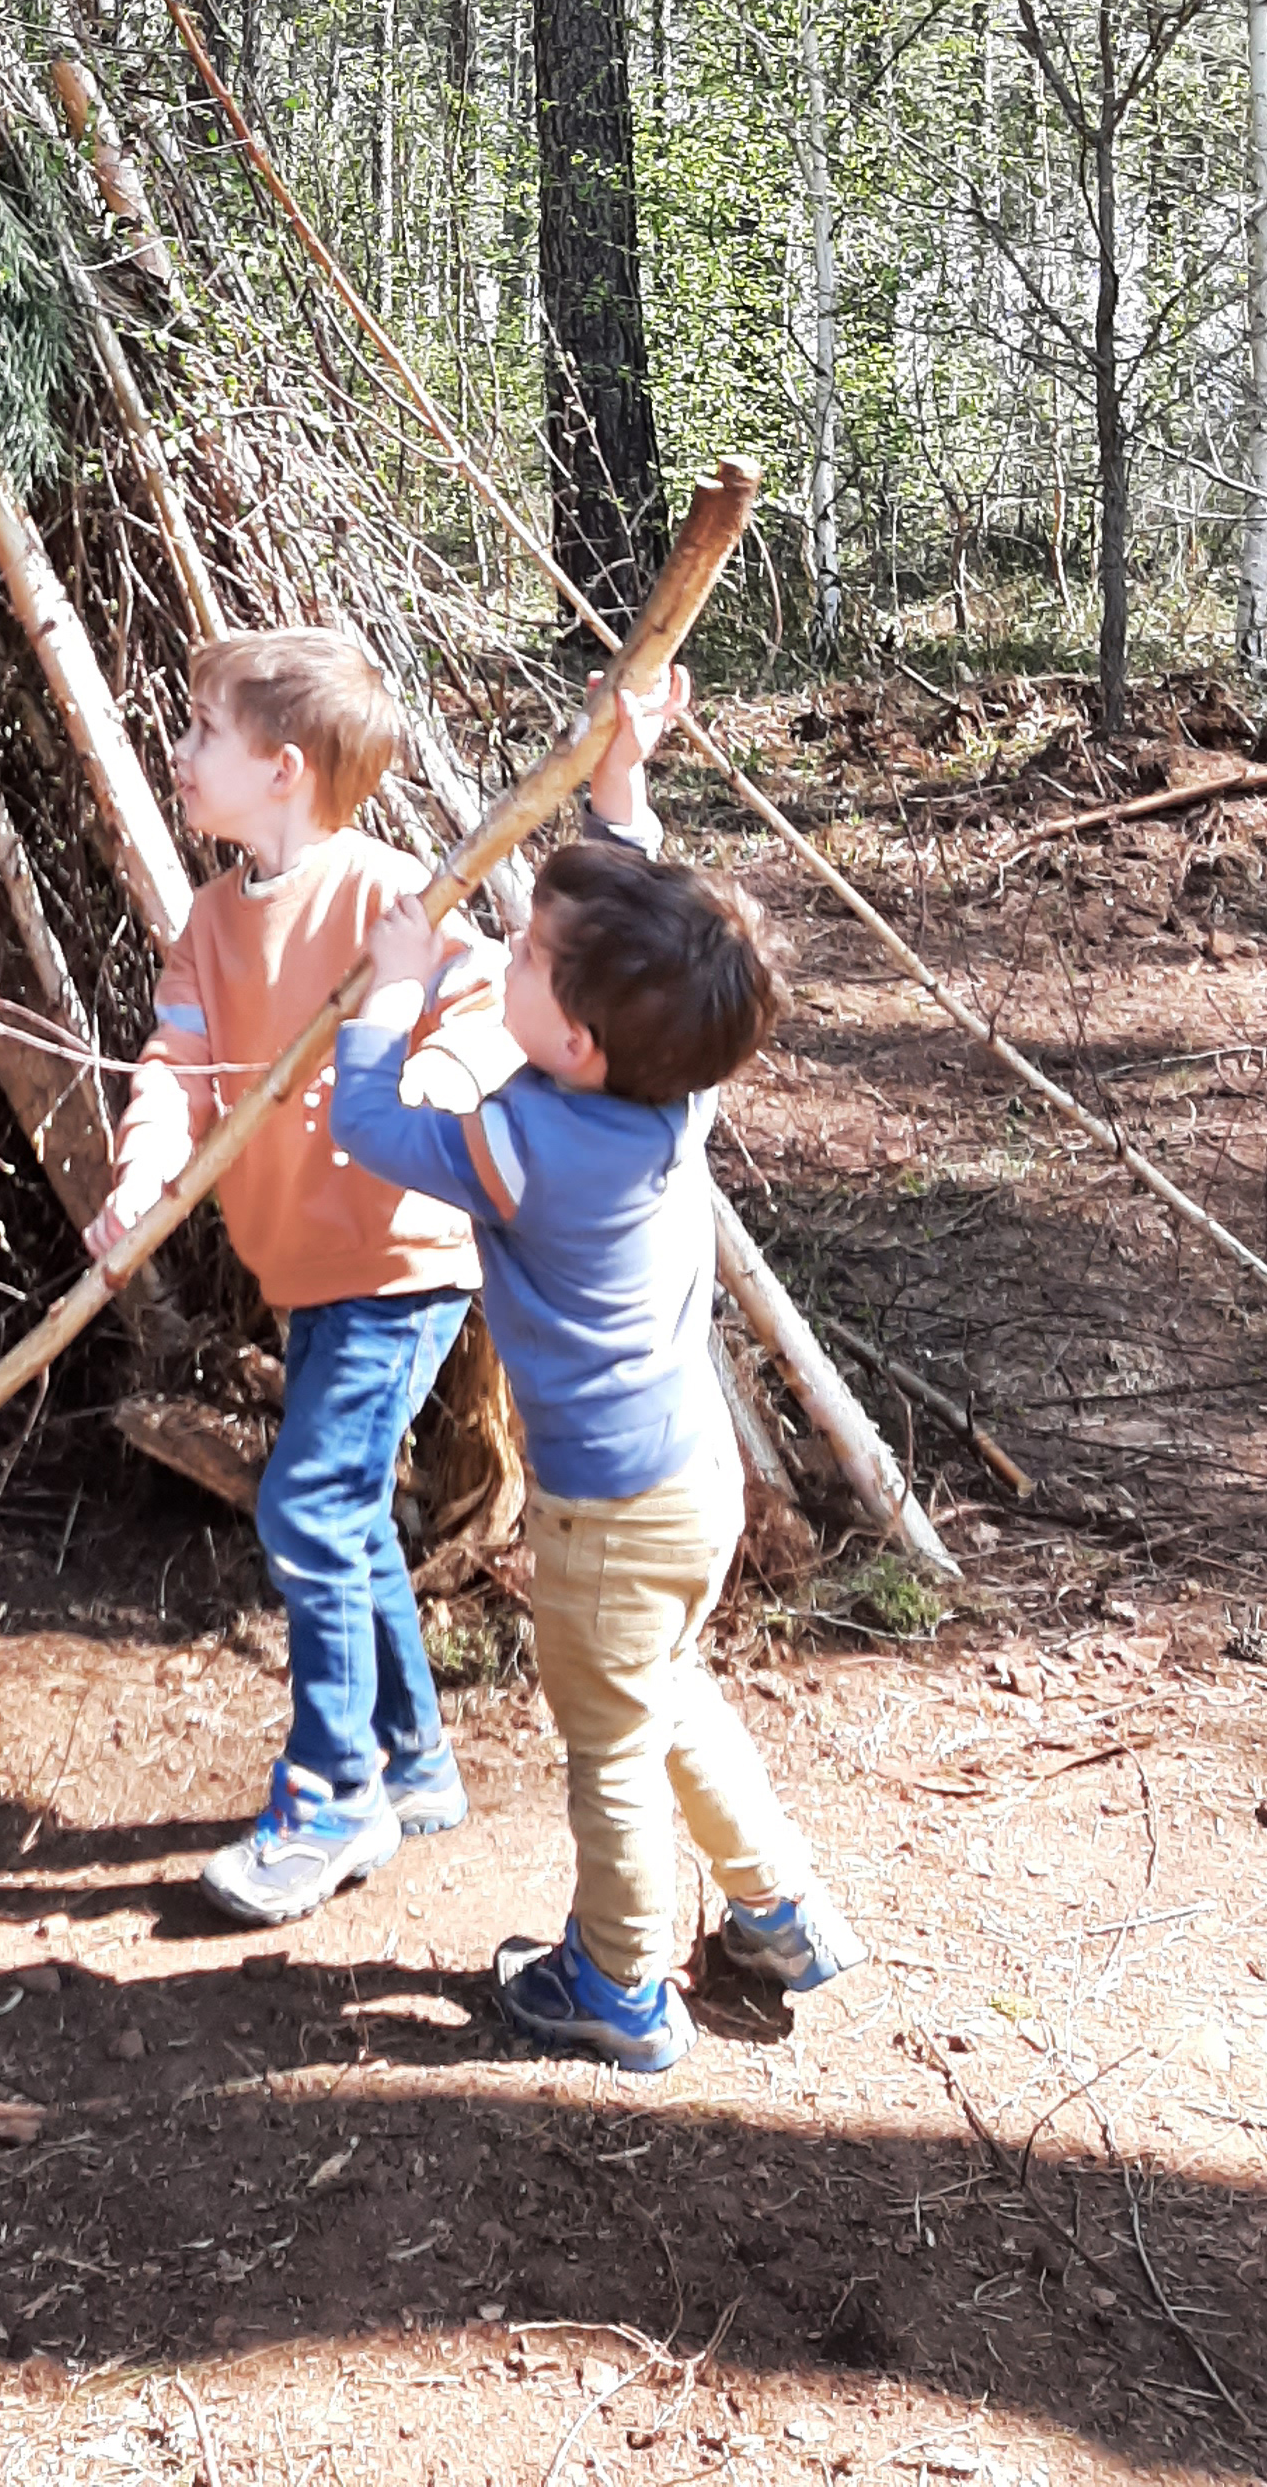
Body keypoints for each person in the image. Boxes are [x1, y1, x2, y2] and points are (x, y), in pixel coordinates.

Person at [84, 631, 670, 1928]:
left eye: (203, 732)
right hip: (306, 1268)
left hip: (399, 1263)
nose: (179, 752)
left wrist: (429, 1075)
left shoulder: (386, 894)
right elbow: (175, 1069)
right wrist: (142, 1178)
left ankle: (332, 1793)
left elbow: (477, 1000)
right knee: (341, 1510)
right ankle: (412, 1760)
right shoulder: (215, 923)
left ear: (282, 769)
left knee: (309, 1503)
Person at [327, 795, 866, 2068]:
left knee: (611, 1744)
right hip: (692, 1485)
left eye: (520, 954)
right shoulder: (676, 1088)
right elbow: (644, 937)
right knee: (663, 1693)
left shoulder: (526, 1147)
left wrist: (392, 990)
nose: (501, 952)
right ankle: (779, 1908)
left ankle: (618, 1985)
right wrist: (621, 789)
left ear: (574, 1039)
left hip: (612, 1519)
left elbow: (369, 1125)